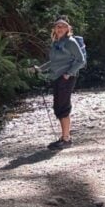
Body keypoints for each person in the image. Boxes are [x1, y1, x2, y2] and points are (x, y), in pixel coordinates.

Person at [37, 17, 86, 150]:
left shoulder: (70, 42)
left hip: (66, 78)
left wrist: (68, 74)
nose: (60, 28)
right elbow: (53, 62)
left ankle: (66, 139)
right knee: (58, 106)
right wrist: (40, 69)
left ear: (67, 29)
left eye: (63, 26)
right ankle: (64, 137)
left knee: (63, 107)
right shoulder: (57, 42)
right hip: (57, 77)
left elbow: (81, 60)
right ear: (54, 29)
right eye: (58, 26)